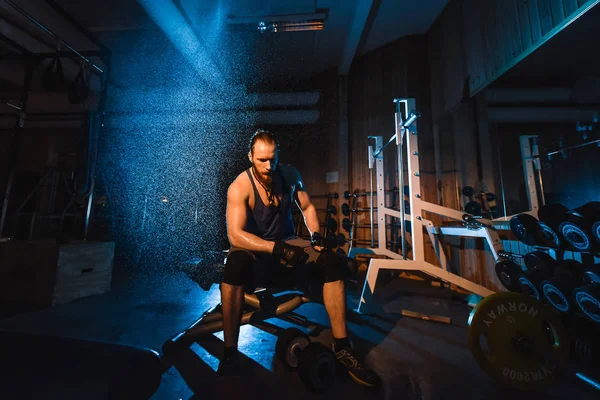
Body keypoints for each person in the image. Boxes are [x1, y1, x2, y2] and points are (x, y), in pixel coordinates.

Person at [218, 129, 379, 388]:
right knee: (234, 264)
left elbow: (307, 207)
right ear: (250, 157)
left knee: (331, 262)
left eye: (273, 159)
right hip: (255, 249)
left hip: (289, 244)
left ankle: (341, 346)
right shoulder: (240, 186)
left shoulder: (290, 175)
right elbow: (235, 235)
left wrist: (315, 237)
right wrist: (276, 249)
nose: (268, 166)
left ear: (278, 155)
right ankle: (229, 353)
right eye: (261, 160)